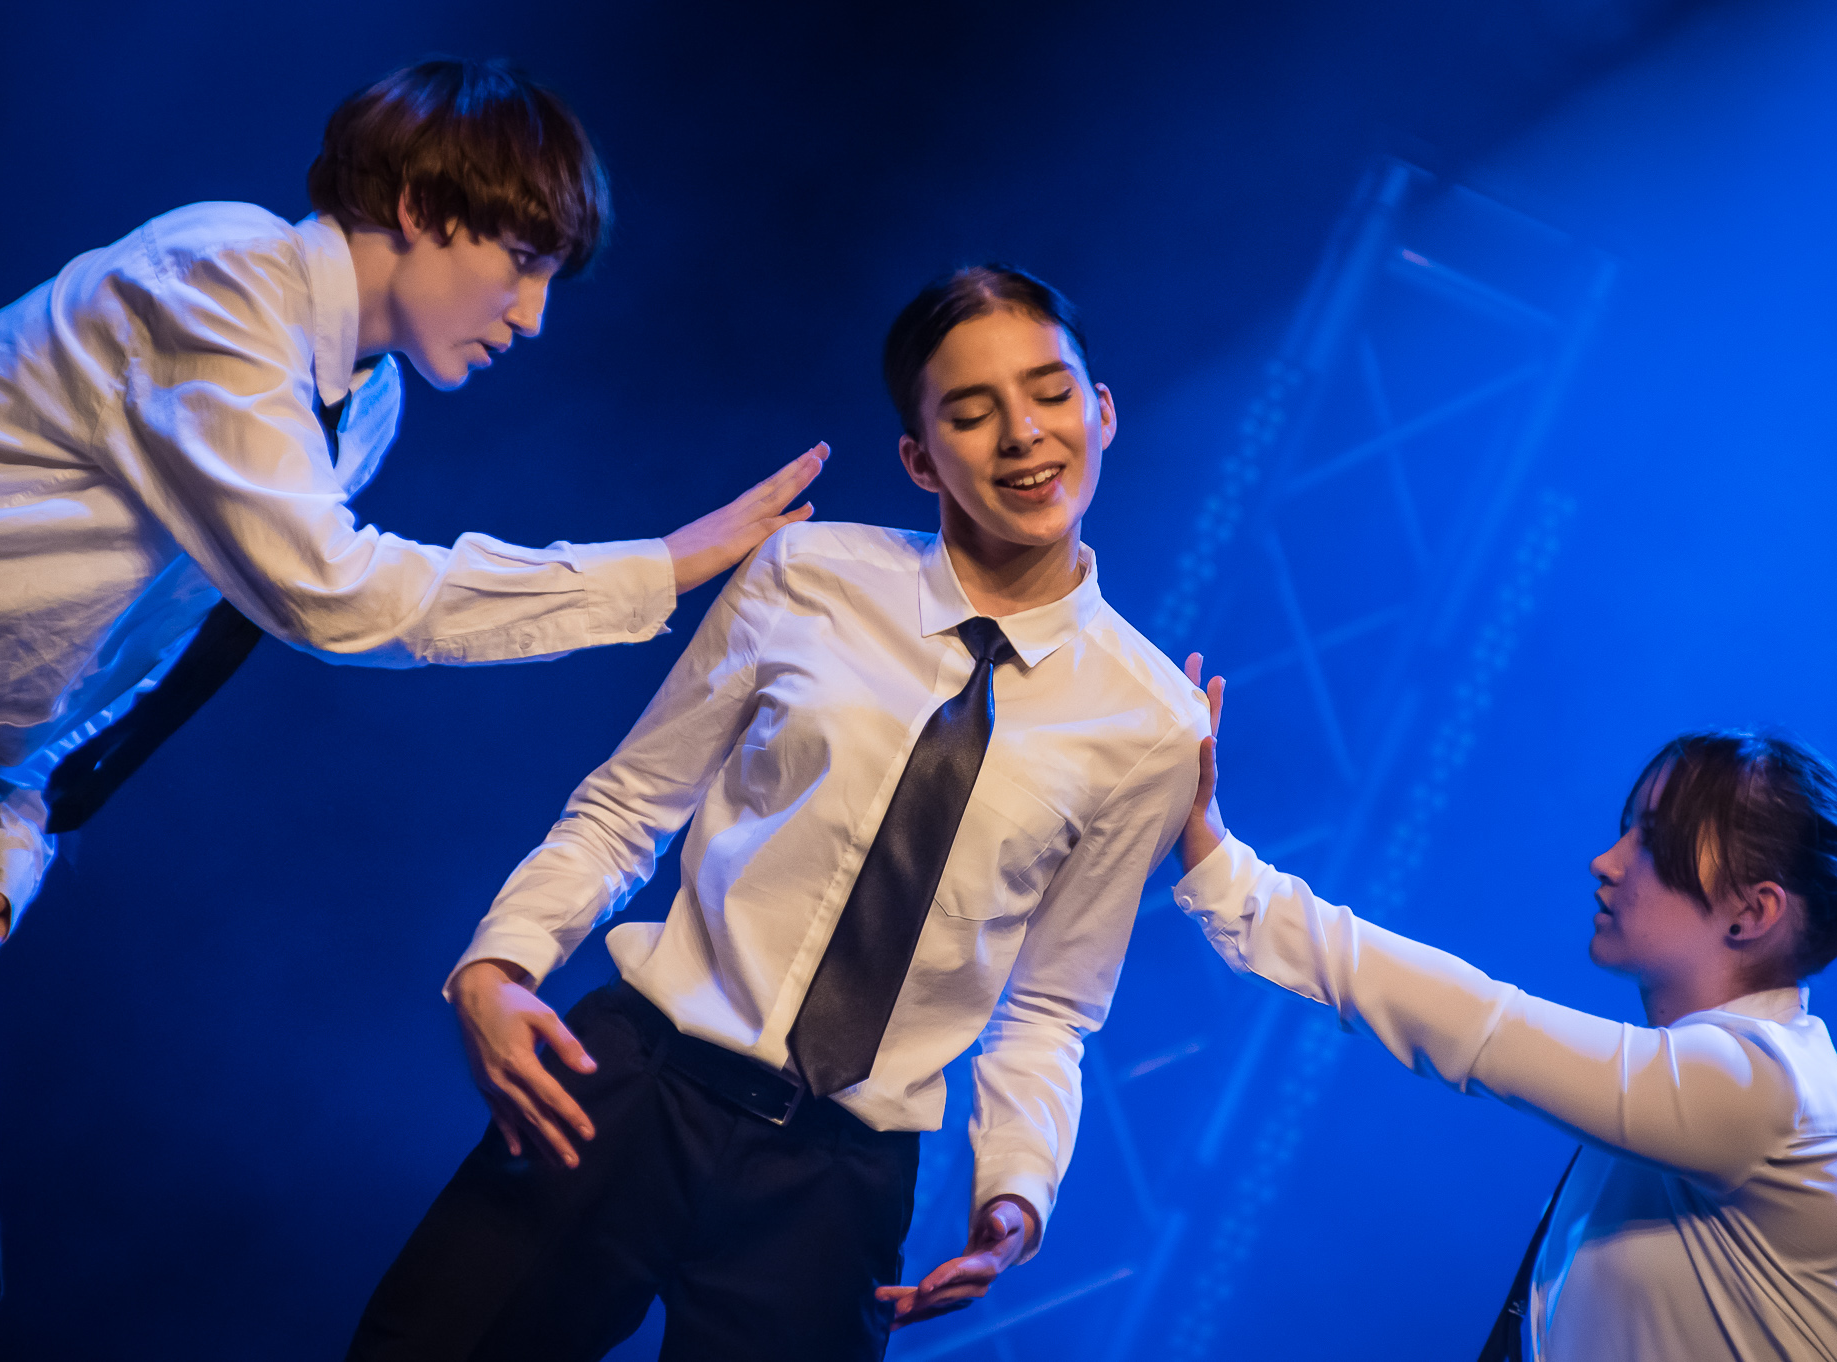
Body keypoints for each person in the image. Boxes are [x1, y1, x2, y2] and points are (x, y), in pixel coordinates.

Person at [0, 58, 825, 1362]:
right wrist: (659, 568)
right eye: (521, 262)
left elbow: (143, 664)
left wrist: (4, 837)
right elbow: (328, 594)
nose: (532, 317)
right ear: (417, 206)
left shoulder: (366, 405)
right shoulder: (222, 275)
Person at [344, 265, 1210, 1361]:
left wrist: (1017, 1192)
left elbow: (1050, 1006)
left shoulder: (1155, 724)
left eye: (1050, 392)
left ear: (1102, 410)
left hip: (835, 1191)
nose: (1023, 435)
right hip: (628, 1092)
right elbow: (629, 805)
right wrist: (498, 964)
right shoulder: (806, 573)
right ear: (919, 458)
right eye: (970, 412)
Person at [1172, 659, 1837, 1361]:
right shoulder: (1701, 1092)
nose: (1606, 862)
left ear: (1752, 911)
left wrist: (1231, 878)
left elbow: (1482, 1027)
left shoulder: (1771, 1090)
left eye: (1652, 841)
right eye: (1625, 831)